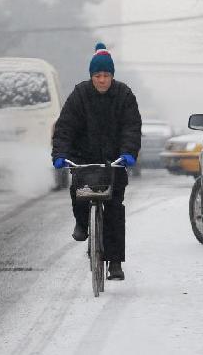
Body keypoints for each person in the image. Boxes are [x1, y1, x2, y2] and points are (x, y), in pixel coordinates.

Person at [51, 42, 141, 281]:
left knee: (114, 209)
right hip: (84, 160)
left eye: (106, 75)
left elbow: (131, 128)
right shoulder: (79, 95)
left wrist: (129, 152)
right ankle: (82, 224)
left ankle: (114, 262)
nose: (102, 80)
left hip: (115, 162)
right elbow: (65, 128)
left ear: (112, 76)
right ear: (91, 76)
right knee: (78, 193)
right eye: (97, 75)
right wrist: (60, 154)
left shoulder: (124, 95)